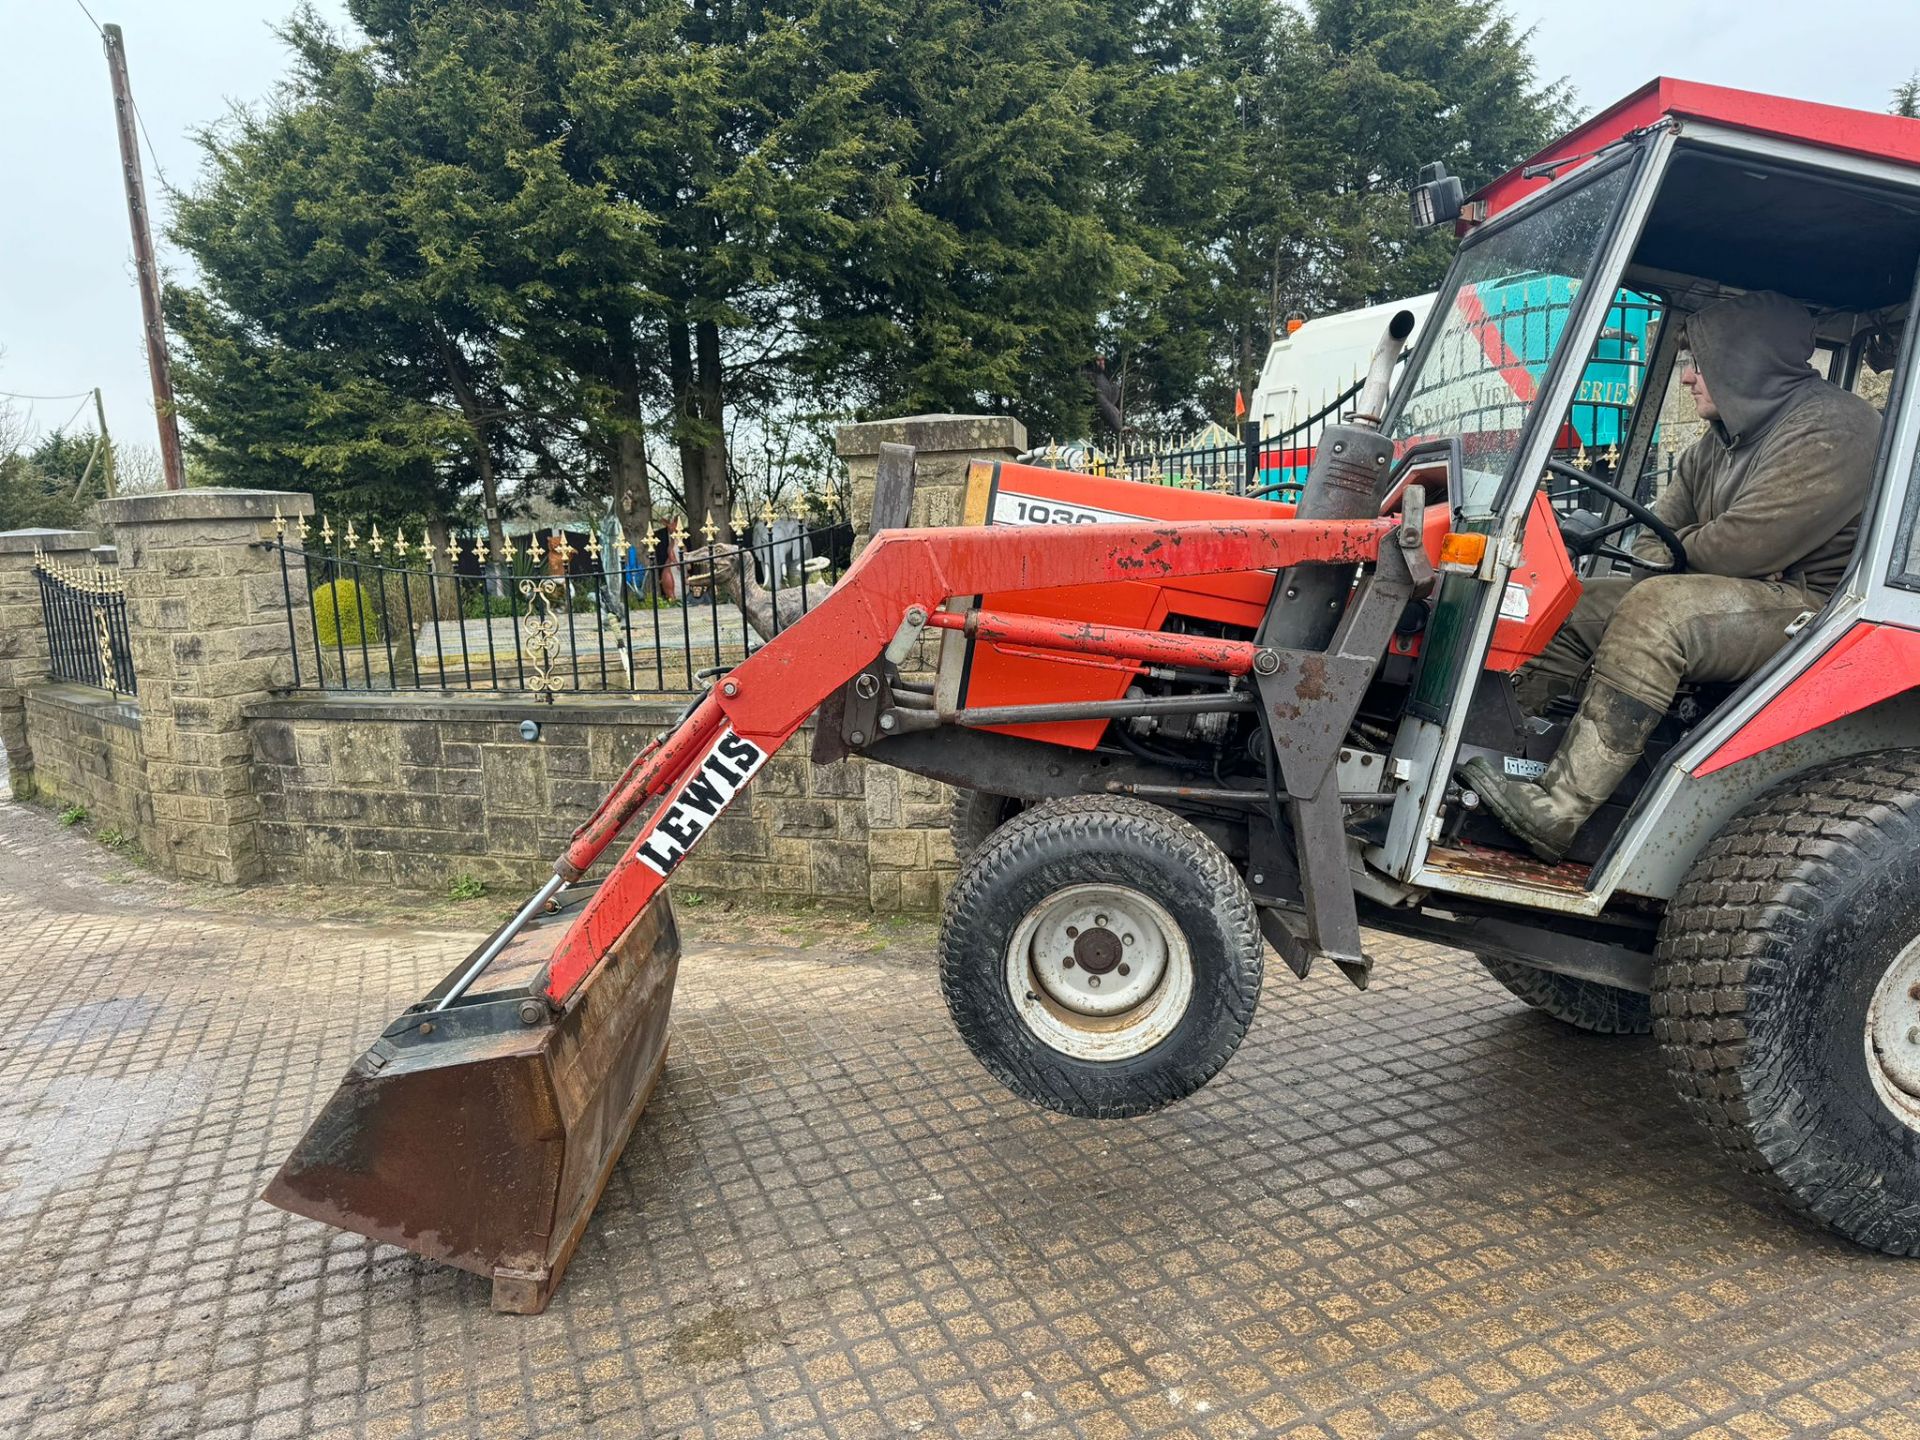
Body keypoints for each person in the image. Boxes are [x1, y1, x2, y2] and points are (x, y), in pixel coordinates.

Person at [1461, 289, 1882, 862]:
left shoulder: (1837, 427)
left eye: (1697, 363)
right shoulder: (1720, 441)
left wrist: (1689, 551)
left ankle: (1558, 809)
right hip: (1749, 589)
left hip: (1822, 611)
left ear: (1744, 359)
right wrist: (1691, 550)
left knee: (1658, 610)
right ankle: (1502, 752)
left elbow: (1742, 549)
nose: (1687, 380)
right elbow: (1650, 538)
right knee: (1571, 600)